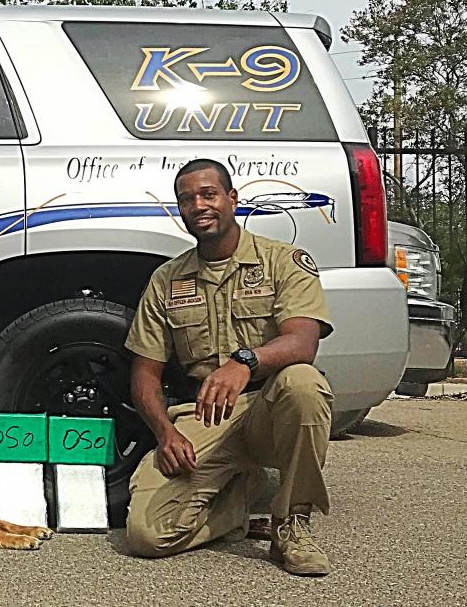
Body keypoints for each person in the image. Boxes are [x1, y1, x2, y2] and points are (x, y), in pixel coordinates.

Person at [124, 158, 335, 576]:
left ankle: (290, 523)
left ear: (232, 199)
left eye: (208, 194)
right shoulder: (167, 279)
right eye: (187, 199)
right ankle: (236, 503)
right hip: (205, 418)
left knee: (303, 383)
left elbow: (302, 341)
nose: (199, 205)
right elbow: (144, 375)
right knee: (146, 535)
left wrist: (246, 361)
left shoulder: (283, 262)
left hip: (270, 412)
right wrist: (165, 433)